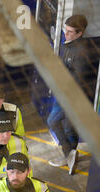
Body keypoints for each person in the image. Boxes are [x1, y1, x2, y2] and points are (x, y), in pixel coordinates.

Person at [47, 15, 97, 174]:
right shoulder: (70, 44)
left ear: (80, 33)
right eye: (65, 30)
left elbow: (79, 79)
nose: (65, 34)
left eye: (69, 32)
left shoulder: (82, 52)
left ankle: (68, 153)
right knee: (69, 126)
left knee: (53, 121)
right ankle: (71, 156)